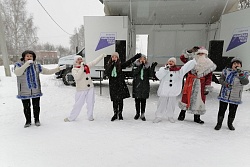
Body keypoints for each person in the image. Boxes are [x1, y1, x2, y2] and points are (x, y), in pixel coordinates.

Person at [14, 50, 66, 128]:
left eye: (31, 56)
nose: (29, 57)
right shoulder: (18, 65)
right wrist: (26, 65)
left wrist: (58, 69)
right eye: (27, 56)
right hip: (24, 90)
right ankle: (28, 121)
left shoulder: (37, 66)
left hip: (35, 90)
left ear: (33, 57)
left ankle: (37, 120)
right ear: (24, 57)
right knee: (26, 107)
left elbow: (48, 71)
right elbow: (17, 73)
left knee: (36, 106)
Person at [178, 47, 217, 124]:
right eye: (199, 53)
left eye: (202, 53)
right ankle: (182, 114)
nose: (200, 55)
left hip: (201, 84)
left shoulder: (209, 64)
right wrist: (189, 51)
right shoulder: (192, 61)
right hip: (190, 82)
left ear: (205, 54)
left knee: (199, 100)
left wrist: (207, 87)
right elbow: (182, 58)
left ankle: (197, 117)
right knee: (186, 98)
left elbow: (209, 77)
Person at [153, 57, 197, 123]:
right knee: (161, 104)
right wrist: (166, 69)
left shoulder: (178, 71)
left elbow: (185, 68)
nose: (171, 62)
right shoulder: (163, 69)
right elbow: (158, 76)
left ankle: (170, 116)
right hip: (164, 90)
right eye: (170, 61)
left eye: (172, 61)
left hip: (173, 91)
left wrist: (193, 61)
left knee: (171, 104)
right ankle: (158, 116)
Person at [64, 53, 106, 122]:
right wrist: (81, 68)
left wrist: (101, 56)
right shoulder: (74, 69)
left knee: (91, 103)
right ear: (75, 61)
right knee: (78, 104)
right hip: (81, 89)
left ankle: (90, 116)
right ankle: (71, 117)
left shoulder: (86, 66)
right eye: (78, 59)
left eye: (81, 59)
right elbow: (77, 77)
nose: (80, 60)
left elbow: (94, 62)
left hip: (90, 88)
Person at [105, 52, 141, 121]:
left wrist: (136, 57)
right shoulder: (109, 65)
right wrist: (112, 65)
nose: (114, 58)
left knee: (120, 100)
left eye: (115, 57)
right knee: (114, 100)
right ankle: (115, 113)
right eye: (113, 57)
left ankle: (120, 113)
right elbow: (107, 73)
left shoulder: (120, 65)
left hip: (120, 85)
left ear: (117, 58)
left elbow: (128, 62)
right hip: (113, 85)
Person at [214, 58, 249, 130]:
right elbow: (221, 80)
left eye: (238, 64)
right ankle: (219, 123)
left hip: (235, 96)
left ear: (241, 65)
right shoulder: (226, 71)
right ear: (232, 65)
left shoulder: (244, 73)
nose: (236, 65)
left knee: (232, 111)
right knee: (222, 110)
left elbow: (245, 82)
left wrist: (240, 74)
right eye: (234, 63)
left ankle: (230, 124)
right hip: (225, 94)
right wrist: (226, 84)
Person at [132, 55, 157, 121]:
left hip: (144, 85)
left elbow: (151, 75)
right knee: (137, 100)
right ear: (139, 60)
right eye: (141, 59)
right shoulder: (135, 65)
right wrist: (140, 66)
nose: (142, 60)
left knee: (143, 101)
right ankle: (137, 113)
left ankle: (142, 114)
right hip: (137, 85)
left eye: (144, 59)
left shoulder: (147, 67)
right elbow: (134, 73)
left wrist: (152, 67)